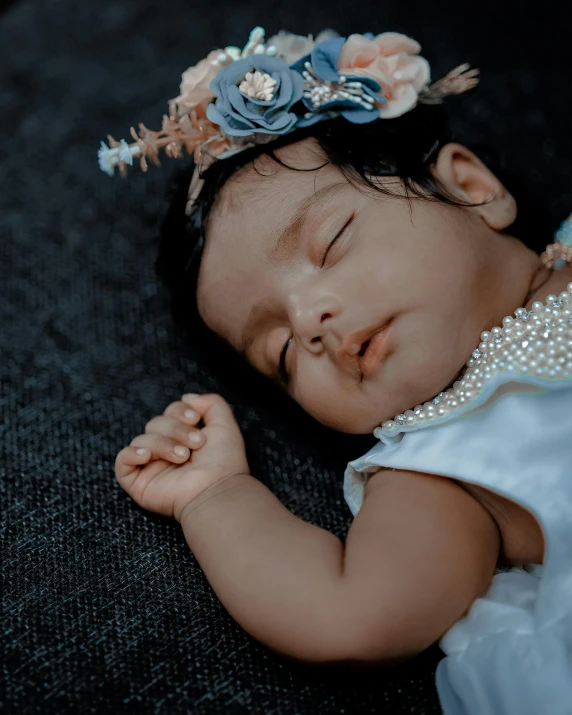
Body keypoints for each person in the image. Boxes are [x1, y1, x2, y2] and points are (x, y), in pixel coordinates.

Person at [101, 26, 572, 714]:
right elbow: (353, 613)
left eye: (332, 241)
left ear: (470, 187)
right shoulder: (439, 467)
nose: (311, 320)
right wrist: (214, 496)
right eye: (281, 353)